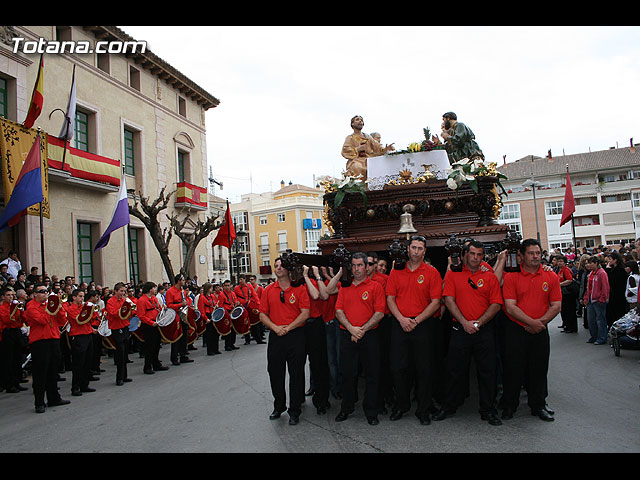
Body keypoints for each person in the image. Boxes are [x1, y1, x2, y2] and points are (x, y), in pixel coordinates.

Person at [501, 239, 561, 422]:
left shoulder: (551, 276)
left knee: (539, 369)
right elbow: (510, 306)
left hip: (540, 330)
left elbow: (556, 305)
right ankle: (509, 405)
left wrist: (538, 323)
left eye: (538, 253)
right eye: (531, 253)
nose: (535, 256)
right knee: (513, 369)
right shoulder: (511, 276)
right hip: (516, 330)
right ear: (521, 255)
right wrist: (531, 322)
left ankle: (539, 405)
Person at [386, 234, 443, 425]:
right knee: (397, 368)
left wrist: (416, 320)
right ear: (408, 249)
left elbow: (436, 303)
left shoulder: (432, 272)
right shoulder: (396, 271)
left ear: (424, 251)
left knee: (424, 369)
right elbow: (390, 299)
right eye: (414, 248)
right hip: (399, 324)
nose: (416, 251)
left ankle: (423, 409)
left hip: (422, 325)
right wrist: (402, 319)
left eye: (420, 248)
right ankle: (402, 405)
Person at [334, 252, 386, 425]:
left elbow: (379, 313)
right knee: (348, 374)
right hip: (347, 335)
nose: (356, 269)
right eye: (353, 266)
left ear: (367, 267)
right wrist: (352, 329)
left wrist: (362, 330)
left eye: (360, 265)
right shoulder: (344, 287)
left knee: (372, 375)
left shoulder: (375, 287)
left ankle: (371, 411)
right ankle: (346, 408)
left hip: (369, 335)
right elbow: (338, 311)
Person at [259, 257, 310, 425]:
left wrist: (288, 328)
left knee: (296, 374)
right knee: (275, 372)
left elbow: (305, 313)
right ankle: (279, 406)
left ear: (288, 269)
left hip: (295, 335)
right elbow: (262, 314)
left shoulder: (300, 289)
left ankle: (294, 410)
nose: (278, 268)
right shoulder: (268, 290)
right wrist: (275, 328)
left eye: (281, 266)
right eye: (276, 266)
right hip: (276, 336)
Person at [22, 283, 70, 413]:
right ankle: (39, 402)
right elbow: (42, 320)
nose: (45, 293)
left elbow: (61, 320)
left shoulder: (50, 305)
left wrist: (58, 307)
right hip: (40, 342)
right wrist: (51, 308)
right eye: (42, 291)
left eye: (46, 291)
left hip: (53, 339)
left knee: (53, 371)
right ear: (35, 294)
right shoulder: (31, 306)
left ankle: (54, 398)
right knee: (40, 373)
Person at [302, 264, 331, 415]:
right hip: (300, 327)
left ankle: (322, 400)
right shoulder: (297, 285)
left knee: (319, 364)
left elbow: (317, 295)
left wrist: (309, 276)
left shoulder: (313, 282)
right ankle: (299, 397)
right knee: (298, 365)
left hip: (315, 325)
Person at [64, 289, 97, 396]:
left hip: (87, 334)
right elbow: (80, 320)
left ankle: (84, 384)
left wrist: (92, 310)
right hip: (78, 336)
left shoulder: (84, 307)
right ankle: (76, 387)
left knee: (88, 361)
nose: (82, 299)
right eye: (80, 296)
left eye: (83, 296)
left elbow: (91, 319)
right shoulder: (71, 309)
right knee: (78, 363)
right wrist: (87, 310)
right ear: (74, 297)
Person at [341, 115, 394, 179]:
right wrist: (357, 149)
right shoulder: (350, 137)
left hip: (369, 159)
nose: (360, 121)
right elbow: (345, 150)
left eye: (361, 120)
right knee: (357, 167)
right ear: (352, 124)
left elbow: (377, 146)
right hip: (357, 160)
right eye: (357, 119)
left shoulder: (367, 136)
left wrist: (385, 148)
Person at [105, 282, 135, 386]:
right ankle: (119, 377)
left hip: (125, 326)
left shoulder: (124, 300)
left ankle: (124, 375)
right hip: (116, 328)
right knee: (120, 351)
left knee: (125, 351)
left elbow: (130, 312)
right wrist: (124, 309)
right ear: (116, 291)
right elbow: (113, 313)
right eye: (121, 291)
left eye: (124, 291)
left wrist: (130, 309)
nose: (123, 293)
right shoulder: (110, 301)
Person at [137, 281, 169, 374]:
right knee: (149, 346)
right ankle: (147, 366)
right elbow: (141, 315)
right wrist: (151, 322)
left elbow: (158, 309)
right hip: (148, 326)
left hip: (156, 324)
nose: (155, 290)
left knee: (156, 345)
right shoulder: (142, 300)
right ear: (149, 289)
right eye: (154, 288)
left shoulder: (154, 299)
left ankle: (156, 364)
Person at [0, 287, 27, 393]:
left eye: (12, 295)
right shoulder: (2, 308)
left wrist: (20, 311)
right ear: (3, 297)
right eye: (8, 295)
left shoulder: (15, 306)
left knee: (17, 357)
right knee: (8, 359)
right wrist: (16, 312)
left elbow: (21, 320)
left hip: (16, 331)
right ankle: (9, 384)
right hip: (8, 333)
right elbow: (8, 320)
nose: (11, 297)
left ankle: (16, 381)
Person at [165, 274, 194, 364]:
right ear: (178, 281)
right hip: (175, 315)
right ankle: (174, 357)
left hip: (183, 314)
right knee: (176, 336)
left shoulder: (182, 291)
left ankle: (183, 355)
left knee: (184, 335)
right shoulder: (170, 292)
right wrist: (180, 305)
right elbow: (169, 305)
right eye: (183, 280)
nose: (184, 282)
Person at [584, 256, 610, 345]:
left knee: (600, 319)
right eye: (588, 263)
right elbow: (588, 287)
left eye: (591, 263)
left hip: (598, 300)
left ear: (596, 263)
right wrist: (586, 297)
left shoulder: (602, 273)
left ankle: (602, 337)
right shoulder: (591, 273)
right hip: (591, 299)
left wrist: (603, 298)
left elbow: (605, 286)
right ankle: (594, 336)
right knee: (591, 320)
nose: (589, 265)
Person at [605, 251, 629, 327]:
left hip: (618, 296)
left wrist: (608, 270)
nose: (609, 261)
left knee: (618, 314)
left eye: (610, 259)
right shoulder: (613, 270)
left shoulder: (620, 271)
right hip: (613, 296)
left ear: (615, 260)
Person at [556, 256, 578, 333]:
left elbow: (569, 280)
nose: (559, 263)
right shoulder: (560, 270)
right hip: (563, 293)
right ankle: (566, 324)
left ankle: (571, 327)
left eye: (561, 261)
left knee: (569, 310)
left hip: (568, 293)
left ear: (565, 262)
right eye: (558, 261)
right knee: (564, 310)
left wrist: (560, 284)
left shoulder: (566, 270)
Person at [219, 280, 239, 351]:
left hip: (233, 311)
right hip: (227, 312)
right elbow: (220, 305)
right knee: (228, 329)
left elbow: (235, 301)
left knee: (233, 329)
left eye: (228, 285)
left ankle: (232, 343)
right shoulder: (222, 294)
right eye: (226, 286)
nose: (227, 287)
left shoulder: (233, 293)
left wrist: (236, 304)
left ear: (231, 286)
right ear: (223, 286)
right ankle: (227, 345)